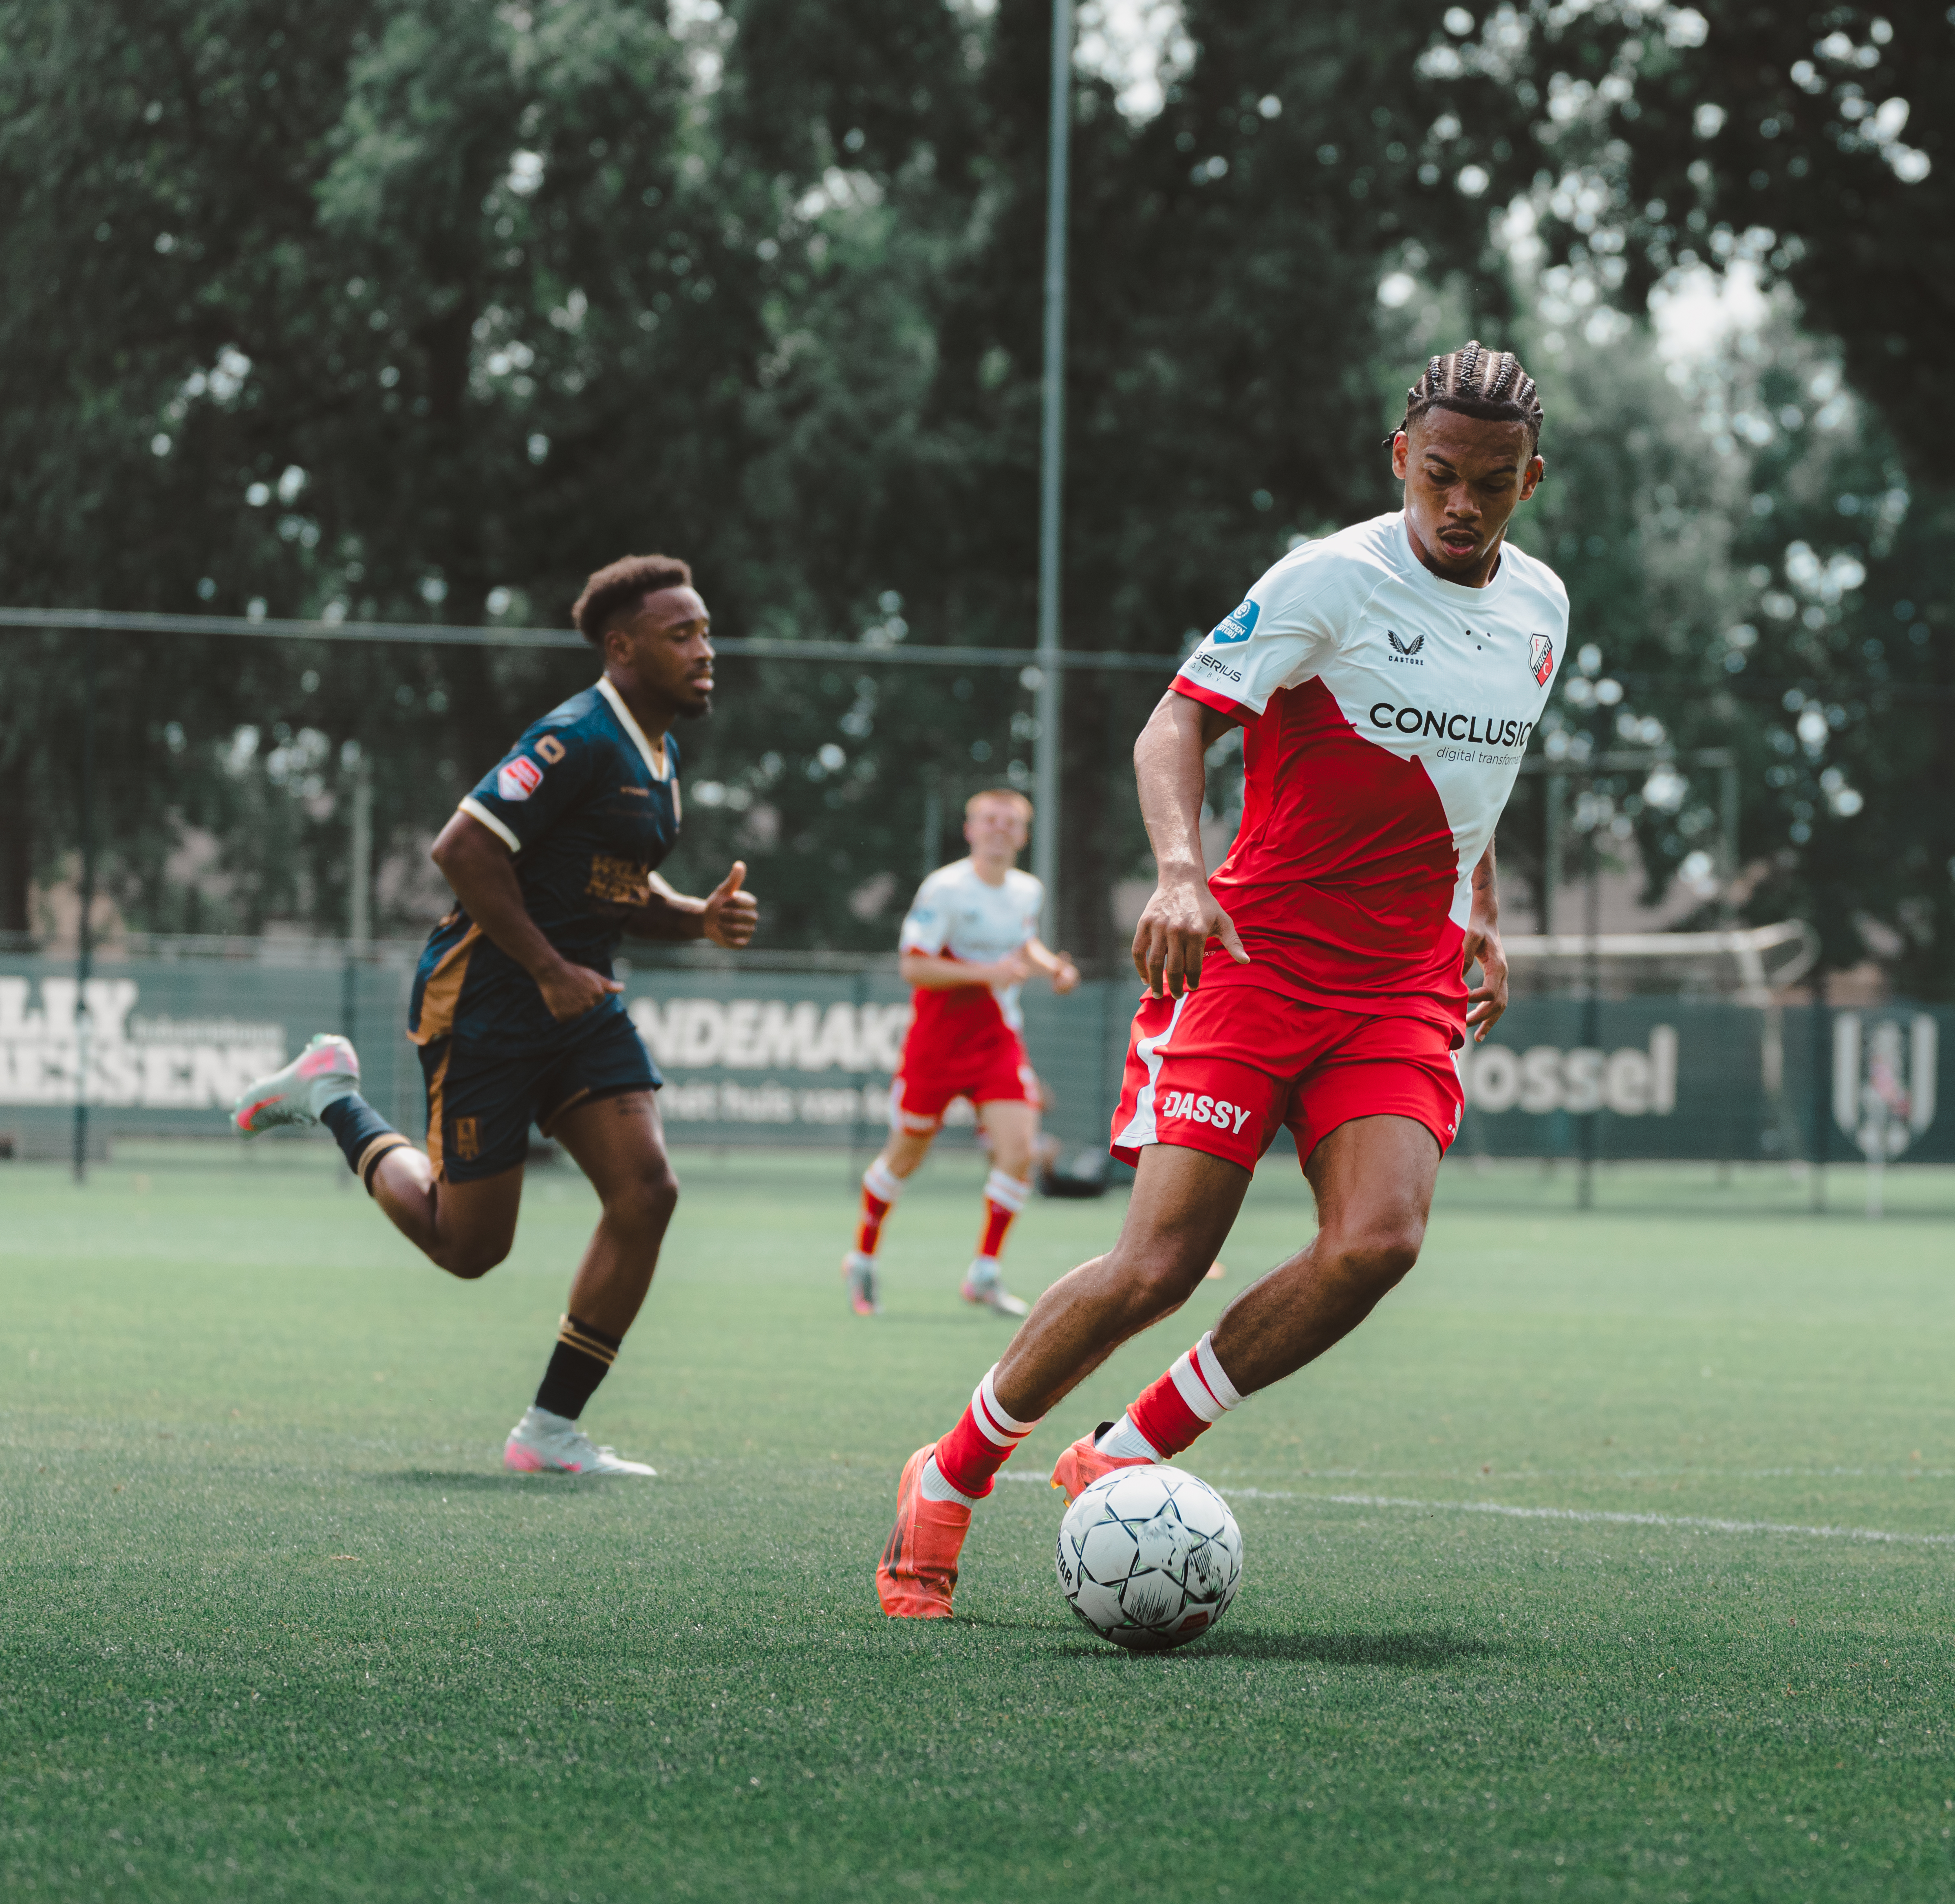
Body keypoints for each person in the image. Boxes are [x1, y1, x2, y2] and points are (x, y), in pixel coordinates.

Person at [875, 341, 1565, 1616]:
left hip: (1403, 981)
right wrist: (1182, 873)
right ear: (1399, 458)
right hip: (1258, 959)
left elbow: (1482, 782)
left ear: (1532, 479)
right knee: (1158, 1266)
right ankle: (953, 1471)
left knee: (1378, 1243)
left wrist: (1483, 914)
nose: (1461, 504)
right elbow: (1175, 719)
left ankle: (1126, 1451)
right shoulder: (1329, 579)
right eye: (1439, 473)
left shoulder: (1543, 609)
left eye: (1492, 481)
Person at [231, 554, 759, 1478]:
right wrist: (547, 968)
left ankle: (549, 1431)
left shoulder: (662, 756)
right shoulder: (575, 735)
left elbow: (613, 885)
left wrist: (695, 917)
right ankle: (331, 1096)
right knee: (468, 1245)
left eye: (707, 631)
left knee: (648, 1193)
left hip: (581, 998)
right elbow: (463, 848)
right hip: (490, 998)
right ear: (622, 648)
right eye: (682, 635)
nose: (705, 650)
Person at [844, 787, 1080, 1318]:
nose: (999, 829)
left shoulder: (1027, 890)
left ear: (1023, 836)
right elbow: (914, 966)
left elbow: (1022, 944)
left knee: (1020, 1151)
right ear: (970, 830)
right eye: (989, 820)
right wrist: (987, 973)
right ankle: (862, 1256)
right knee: (904, 1159)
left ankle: (985, 1274)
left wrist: (1053, 968)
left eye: (1010, 822)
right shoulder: (945, 888)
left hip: (997, 1040)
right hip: (937, 1045)